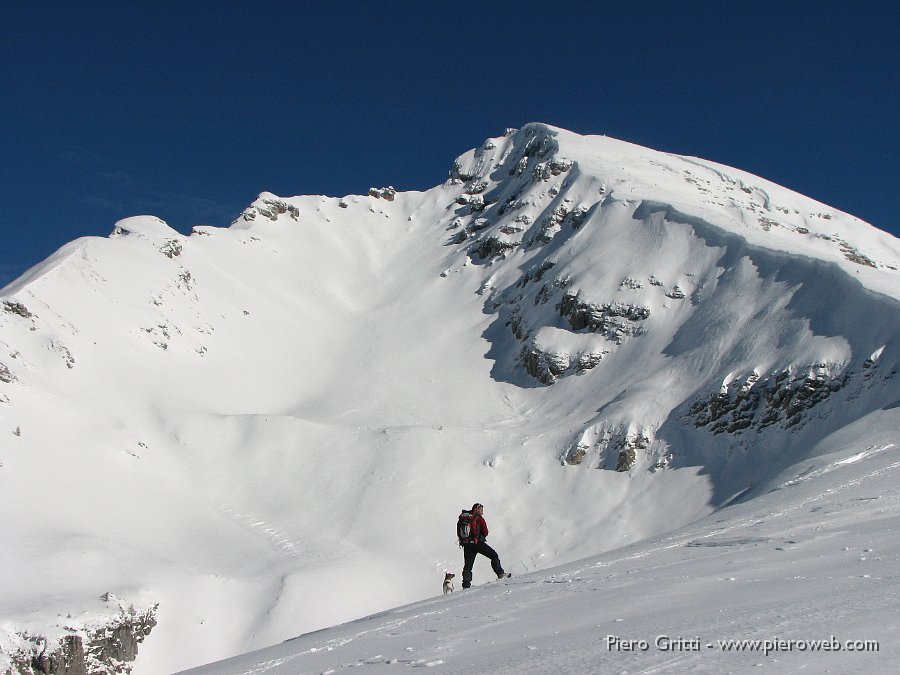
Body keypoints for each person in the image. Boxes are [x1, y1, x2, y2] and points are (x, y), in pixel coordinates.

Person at [461, 503, 510, 588]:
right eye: (481, 510)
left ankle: (466, 585)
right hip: (478, 544)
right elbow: (485, 532)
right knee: (493, 555)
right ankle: (500, 574)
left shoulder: (464, 518)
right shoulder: (479, 518)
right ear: (477, 509)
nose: (482, 512)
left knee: (468, 566)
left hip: (467, 545)